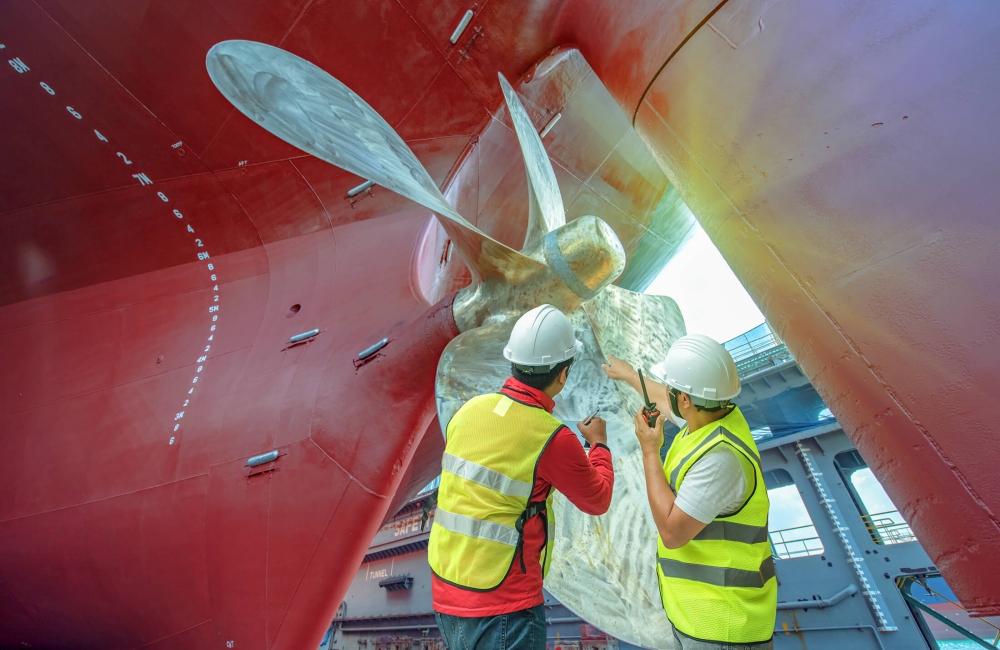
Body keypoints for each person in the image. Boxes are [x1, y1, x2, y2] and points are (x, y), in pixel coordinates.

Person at [428, 304, 615, 650]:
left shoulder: (468, 411)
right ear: (562, 374)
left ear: (511, 361)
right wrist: (599, 444)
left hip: (446, 593)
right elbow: (598, 498)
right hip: (504, 605)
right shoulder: (552, 437)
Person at [603, 334, 776, 649]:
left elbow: (672, 532)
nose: (666, 393)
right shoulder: (706, 423)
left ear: (685, 400)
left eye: (673, 390)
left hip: (722, 627)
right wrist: (628, 374)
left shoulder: (720, 459)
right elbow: (663, 399)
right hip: (700, 617)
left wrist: (649, 451)